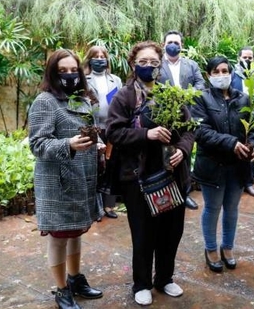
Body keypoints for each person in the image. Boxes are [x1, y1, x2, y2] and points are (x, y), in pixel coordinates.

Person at [106, 41, 194, 306]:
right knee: (144, 232)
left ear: (161, 65)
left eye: (154, 63)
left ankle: (164, 278)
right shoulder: (125, 96)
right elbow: (113, 132)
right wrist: (147, 134)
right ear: (133, 65)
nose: (149, 67)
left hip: (172, 174)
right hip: (140, 177)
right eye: (143, 62)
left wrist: (182, 149)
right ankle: (141, 283)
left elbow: (190, 129)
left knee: (171, 230)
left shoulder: (171, 94)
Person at [28, 49, 104, 309]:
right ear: (52, 72)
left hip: (81, 178)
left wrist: (97, 142)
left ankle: (75, 279)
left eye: (74, 70)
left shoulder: (81, 100)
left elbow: (85, 133)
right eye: (63, 71)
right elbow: (37, 144)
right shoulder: (45, 101)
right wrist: (68, 144)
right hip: (57, 182)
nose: (70, 75)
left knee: (76, 232)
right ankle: (61, 290)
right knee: (59, 237)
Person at [191, 56, 254, 272]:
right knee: (212, 208)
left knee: (231, 208)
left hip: (238, 165)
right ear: (208, 75)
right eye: (216, 71)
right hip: (213, 164)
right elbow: (200, 132)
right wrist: (231, 143)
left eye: (225, 71)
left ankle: (228, 247)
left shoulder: (244, 99)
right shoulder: (200, 99)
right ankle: (211, 248)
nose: (222, 75)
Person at [158, 29, 205, 210]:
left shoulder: (191, 65)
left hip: (187, 116)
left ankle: (185, 193)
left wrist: (187, 94)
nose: (173, 46)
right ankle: (166, 194)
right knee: (166, 155)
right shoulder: (157, 64)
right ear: (163, 44)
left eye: (177, 43)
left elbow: (201, 84)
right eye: (170, 42)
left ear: (182, 46)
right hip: (163, 117)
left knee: (184, 154)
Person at [83, 45, 123, 219]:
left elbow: (121, 104)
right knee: (94, 167)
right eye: (96, 56)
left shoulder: (115, 80)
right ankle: (94, 208)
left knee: (112, 166)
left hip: (112, 129)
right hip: (93, 128)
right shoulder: (84, 79)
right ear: (89, 60)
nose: (100, 59)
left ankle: (109, 205)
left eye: (103, 56)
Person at [230, 46, 254, 197]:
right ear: (239, 58)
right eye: (244, 57)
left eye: (250, 58)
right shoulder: (233, 75)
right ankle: (236, 182)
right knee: (237, 147)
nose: (247, 60)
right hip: (236, 117)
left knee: (252, 147)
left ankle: (249, 182)